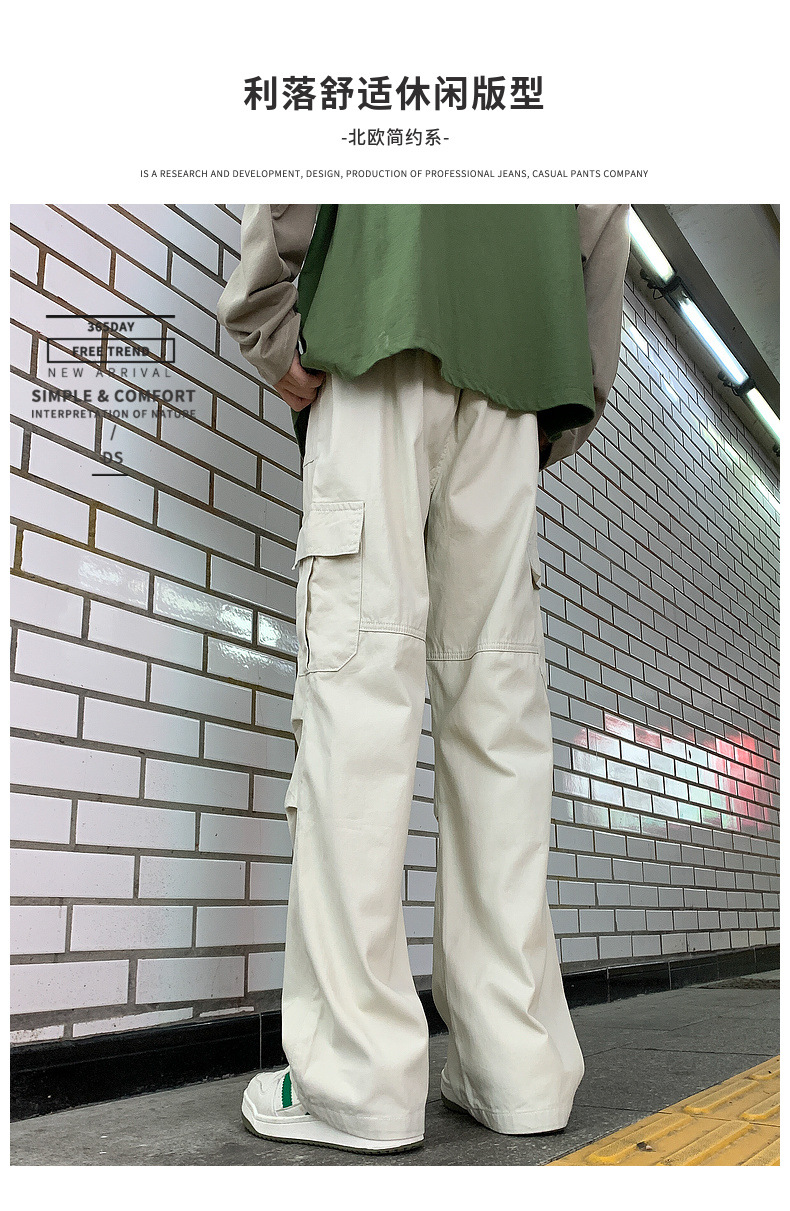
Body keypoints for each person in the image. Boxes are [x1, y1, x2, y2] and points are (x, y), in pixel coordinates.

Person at [217, 204, 630, 1155]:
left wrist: (265, 316)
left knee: (360, 699)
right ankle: (518, 1068)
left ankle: (356, 1082)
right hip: (520, 362)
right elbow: (605, 214)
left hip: (380, 322)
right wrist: (571, 387)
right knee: (499, 718)